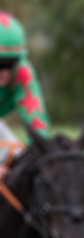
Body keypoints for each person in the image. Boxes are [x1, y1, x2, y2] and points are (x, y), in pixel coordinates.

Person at [0, 11, 52, 182]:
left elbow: (37, 123)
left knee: (22, 157)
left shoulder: (22, 72)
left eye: (9, 63)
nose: (3, 72)